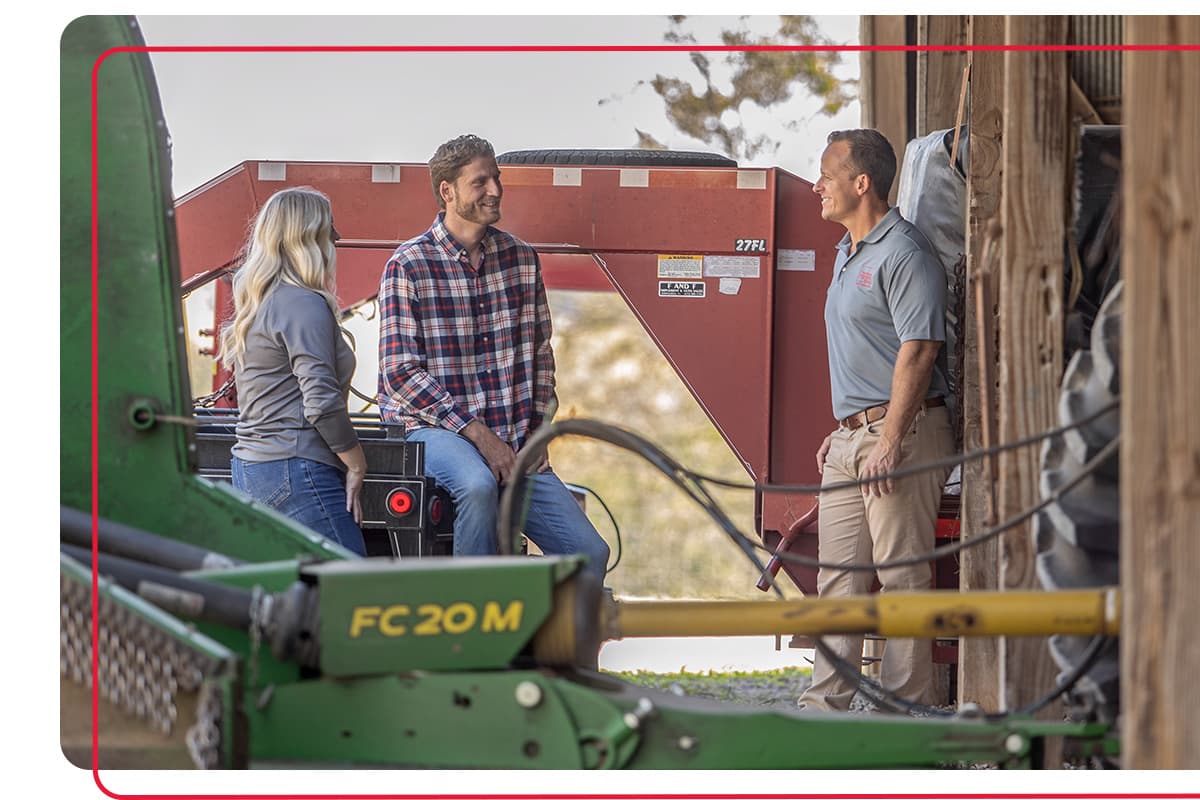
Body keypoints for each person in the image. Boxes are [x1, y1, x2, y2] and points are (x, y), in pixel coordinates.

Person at [377, 134, 610, 580]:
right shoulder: (408, 265)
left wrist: (536, 434)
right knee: (477, 484)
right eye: (480, 182)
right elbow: (400, 373)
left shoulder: (521, 260)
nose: (495, 190)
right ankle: (474, 614)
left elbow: (540, 360)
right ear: (447, 191)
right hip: (434, 431)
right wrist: (483, 439)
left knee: (589, 552)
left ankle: (539, 625)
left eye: (497, 179)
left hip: (512, 439)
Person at [796, 129, 954, 712]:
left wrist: (886, 437)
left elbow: (920, 349)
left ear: (861, 184)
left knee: (902, 577)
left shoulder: (905, 253)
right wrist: (847, 427)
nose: (817, 186)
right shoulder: (848, 252)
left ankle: (902, 716)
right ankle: (823, 712)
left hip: (902, 436)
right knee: (837, 578)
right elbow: (870, 350)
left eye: (827, 175)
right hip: (851, 439)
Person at [221, 187, 368, 555]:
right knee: (354, 582)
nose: (337, 239)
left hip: (253, 467)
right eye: (330, 229)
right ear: (307, 237)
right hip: (295, 467)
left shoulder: (262, 302)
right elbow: (321, 403)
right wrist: (356, 464)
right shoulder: (303, 303)